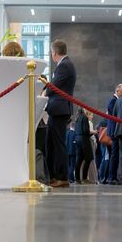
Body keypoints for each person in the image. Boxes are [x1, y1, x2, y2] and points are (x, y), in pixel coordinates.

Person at [45, 39, 76, 188]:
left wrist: (44, 90)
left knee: (58, 144)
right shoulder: (65, 65)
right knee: (51, 143)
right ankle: (52, 175)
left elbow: (52, 87)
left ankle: (62, 177)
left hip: (59, 109)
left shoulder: (64, 66)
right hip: (57, 109)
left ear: (54, 52)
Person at [105, 84, 122, 184]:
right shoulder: (113, 101)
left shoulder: (116, 101)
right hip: (114, 131)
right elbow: (113, 113)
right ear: (117, 91)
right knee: (114, 155)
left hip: (115, 131)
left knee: (115, 154)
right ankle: (111, 177)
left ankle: (112, 176)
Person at [74, 109, 95, 183]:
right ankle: (85, 178)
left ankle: (77, 179)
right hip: (84, 140)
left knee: (79, 160)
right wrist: (94, 133)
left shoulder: (77, 118)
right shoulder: (84, 118)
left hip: (77, 139)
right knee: (88, 159)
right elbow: (86, 131)